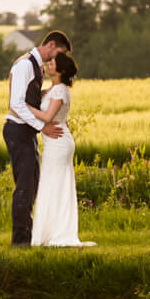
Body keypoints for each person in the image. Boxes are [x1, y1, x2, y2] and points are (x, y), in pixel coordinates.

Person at [3, 30, 70, 246]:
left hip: (26, 130)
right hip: (18, 130)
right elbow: (17, 104)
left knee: (31, 184)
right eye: (59, 53)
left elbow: (31, 98)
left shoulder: (37, 66)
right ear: (51, 45)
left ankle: (28, 236)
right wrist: (42, 126)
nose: (58, 59)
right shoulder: (24, 65)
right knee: (24, 186)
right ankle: (20, 241)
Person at [27, 52, 93, 247]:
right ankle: (48, 232)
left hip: (59, 142)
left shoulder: (60, 91)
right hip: (52, 143)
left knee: (56, 184)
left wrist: (22, 107)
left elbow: (47, 117)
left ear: (61, 70)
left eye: (52, 62)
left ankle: (59, 233)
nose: (48, 64)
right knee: (49, 183)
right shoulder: (50, 90)